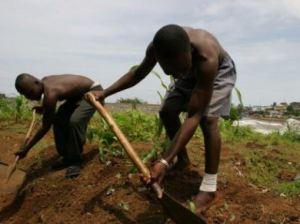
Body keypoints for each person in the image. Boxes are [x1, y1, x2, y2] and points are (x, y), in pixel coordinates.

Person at [87, 24, 236, 214]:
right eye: (170, 71)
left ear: (189, 51)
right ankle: (183, 161)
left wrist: (164, 161)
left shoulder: (207, 55)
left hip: (217, 73)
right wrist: (105, 93)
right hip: (190, 70)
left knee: (208, 120)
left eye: (180, 68)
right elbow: (137, 74)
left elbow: (194, 115)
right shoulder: (157, 50)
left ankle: (209, 188)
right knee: (167, 111)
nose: (176, 75)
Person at [15, 74, 103, 178]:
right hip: (76, 96)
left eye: (30, 92)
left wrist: (26, 149)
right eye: (26, 95)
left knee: (75, 121)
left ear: (37, 83)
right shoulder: (45, 82)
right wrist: (45, 108)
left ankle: (76, 161)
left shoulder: (51, 93)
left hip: (93, 92)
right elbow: (55, 99)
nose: (30, 97)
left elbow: (45, 127)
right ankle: (66, 157)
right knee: (58, 120)